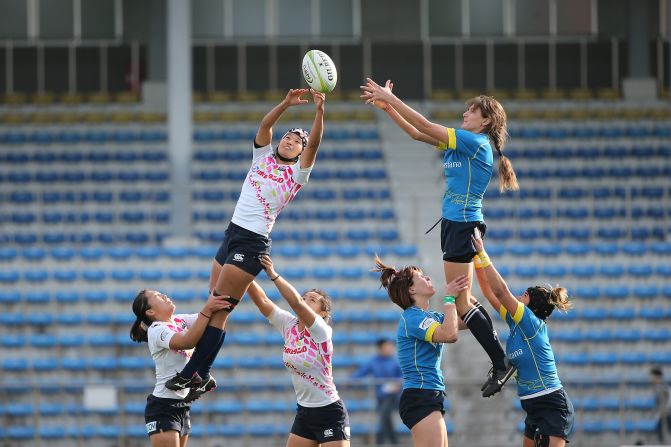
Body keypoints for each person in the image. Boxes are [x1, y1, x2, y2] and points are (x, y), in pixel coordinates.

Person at [361, 79, 518, 396]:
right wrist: (389, 107)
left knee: (461, 302)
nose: (465, 113)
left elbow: (425, 123)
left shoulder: (474, 142)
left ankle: (501, 363)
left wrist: (392, 96)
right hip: (459, 224)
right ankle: (501, 360)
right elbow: (417, 133)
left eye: (471, 110)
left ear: (486, 120)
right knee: (468, 302)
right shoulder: (464, 142)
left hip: (461, 223)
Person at [164, 88, 325, 395]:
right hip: (231, 234)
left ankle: (194, 371)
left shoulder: (296, 175)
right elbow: (264, 127)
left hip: (251, 243)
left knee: (218, 308)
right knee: (214, 301)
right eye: (288, 137)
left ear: (300, 153)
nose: (290, 142)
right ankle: (205, 372)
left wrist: (319, 111)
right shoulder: (262, 156)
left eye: (296, 142)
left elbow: (315, 143)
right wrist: (285, 104)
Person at [471, 229, 574, 447]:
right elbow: (489, 292)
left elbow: (500, 292)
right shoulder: (516, 322)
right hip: (533, 406)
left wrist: (483, 251)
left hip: (551, 403)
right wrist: (474, 257)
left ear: (532, 305)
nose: (517, 298)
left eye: (524, 296)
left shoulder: (530, 322)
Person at [245, 254, 350, 447]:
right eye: (304, 297)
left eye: (313, 300)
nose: (305, 300)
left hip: (329, 411)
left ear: (323, 313)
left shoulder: (321, 329)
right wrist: (243, 274)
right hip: (304, 412)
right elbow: (263, 302)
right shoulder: (289, 324)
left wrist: (273, 275)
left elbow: (296, 304)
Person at [374, 255, 470, 447]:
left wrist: (466, 286)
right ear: (411, 289)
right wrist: (449, 297)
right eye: (422, 277)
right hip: (420, 395)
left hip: (431, 394)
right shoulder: (412, 318)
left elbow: (470, 319)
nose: (428, 279)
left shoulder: (431, 316)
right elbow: (450, 334)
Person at [130, 290, 231, 446]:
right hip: (163, 407)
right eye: (157, 296)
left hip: (182, 406)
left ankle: (201, 375)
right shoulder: (156, 329)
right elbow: (187, 342)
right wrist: (207, 309)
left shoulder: (179, 320)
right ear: (150, 312)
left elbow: (213, 321)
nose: (164, 296)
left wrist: (220, 302)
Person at [351, 338, 403, 445]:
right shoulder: (374, 361)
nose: (390, 349)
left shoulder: (395, 361)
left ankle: (379, 442)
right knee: (386, 420)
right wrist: (349, 382)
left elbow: (402, 377)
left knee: (384, 417)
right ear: (380, 348)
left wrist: (398, 384)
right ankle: (395, 442)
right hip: (380, 396)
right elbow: (361, 373)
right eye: (387, 347)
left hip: (392, 395)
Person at [651, 366, 671, 443]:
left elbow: (669, 399)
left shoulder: (663, 387)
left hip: (668, 413)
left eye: (652, 376)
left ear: (657, 377)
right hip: (665, 413)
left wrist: (665, 410)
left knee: (660, 430)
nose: (651, 379)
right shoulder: (658, 387)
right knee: (660, 430)